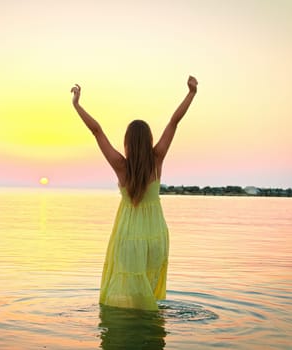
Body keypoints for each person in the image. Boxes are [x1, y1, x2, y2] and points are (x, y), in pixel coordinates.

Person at [71, 76, 198, 310]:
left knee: (128, 294)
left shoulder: (121, 166)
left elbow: (96, 131)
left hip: (128, 236)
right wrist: (191, 94)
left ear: (127, 142)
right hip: (156, 235)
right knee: (148, 293)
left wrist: (77, 105)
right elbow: (174, 122)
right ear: (149, 139)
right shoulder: (157, 158)